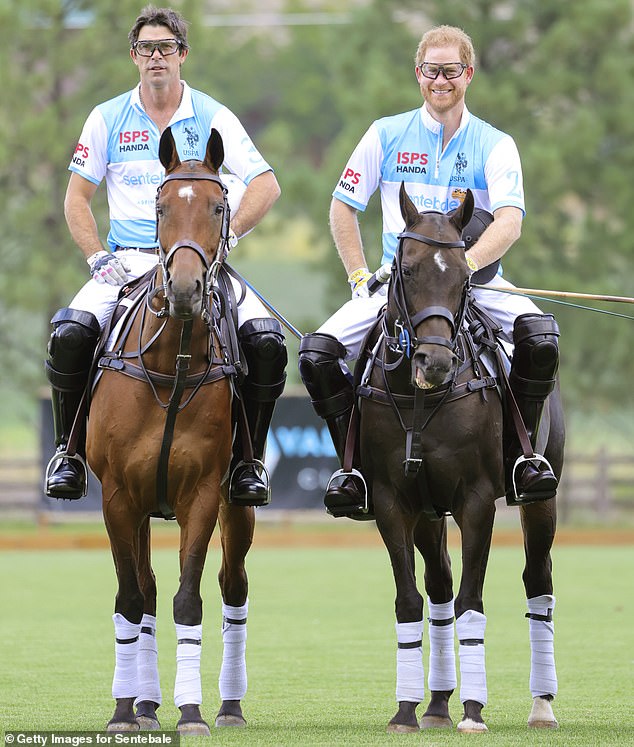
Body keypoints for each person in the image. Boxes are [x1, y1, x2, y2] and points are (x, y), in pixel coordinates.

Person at [299, 24, 559, 517]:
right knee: (316, 355)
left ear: (469, 74)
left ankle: (521, 459)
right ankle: (353, 469)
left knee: (541, 338)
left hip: (475, 284)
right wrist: (358, 278)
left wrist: (467, 267)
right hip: (399, 289)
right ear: (418, 74)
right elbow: (342, 207)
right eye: (431, 71)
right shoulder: (386, 133)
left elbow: (510, 220)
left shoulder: (494, 144)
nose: (441, 81)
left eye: (451, 71)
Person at [45, 5, 287, 507]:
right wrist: (95, 256)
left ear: (183, 56)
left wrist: (229, 237)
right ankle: (67, 452)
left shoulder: (213, 115)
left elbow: (266, 184)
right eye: (147, 49)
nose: (157, 57)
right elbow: (76, 199)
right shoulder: (106, 117)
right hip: (129, 260)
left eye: (167, 48)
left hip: (199, 261)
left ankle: (248, 461)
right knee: (70, 333)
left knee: (265, 342)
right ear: (134, 57)